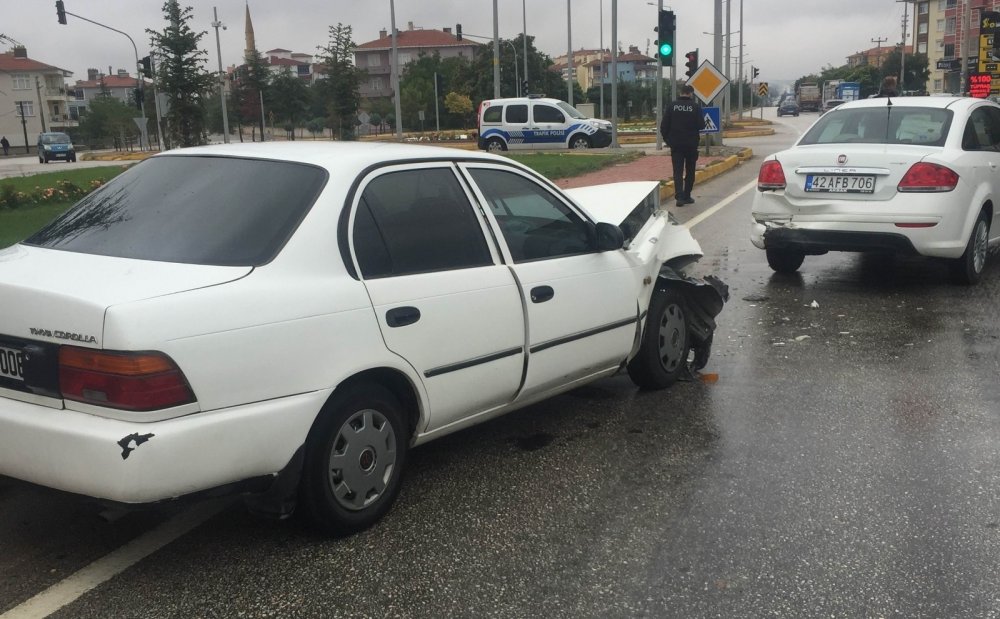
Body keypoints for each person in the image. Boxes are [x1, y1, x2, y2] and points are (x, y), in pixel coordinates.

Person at [660, 85, 703, 206]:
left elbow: (663, 126)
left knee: (677, 171)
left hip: (676, 145)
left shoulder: (672, 106)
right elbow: (702, 125)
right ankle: (687, 195)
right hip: (691, 145)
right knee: (690, 171)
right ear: (691, 94)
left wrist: (668, 141)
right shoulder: (695, 107)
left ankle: (679, 197)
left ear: (681, 92)